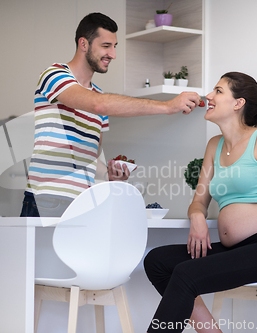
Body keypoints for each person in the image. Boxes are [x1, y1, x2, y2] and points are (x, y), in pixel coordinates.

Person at [143, 72, 257, 332]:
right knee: (157, 260)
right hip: (239, 251)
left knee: (187, 275)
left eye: (218, 91)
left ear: (238, 103)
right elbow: (199, 201)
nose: (208, 96)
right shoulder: (214, 146)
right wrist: (197, 217)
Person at [20, 12, 203, 217]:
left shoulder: (99, 97)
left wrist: (109, 175)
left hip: (83, 204)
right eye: (106, 46)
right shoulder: (54, 75)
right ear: (84, 44)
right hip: (47, 199)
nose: (113, 54)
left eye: (114, 47)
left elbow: (88, 157)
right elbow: (98, 105)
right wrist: (168, 106)